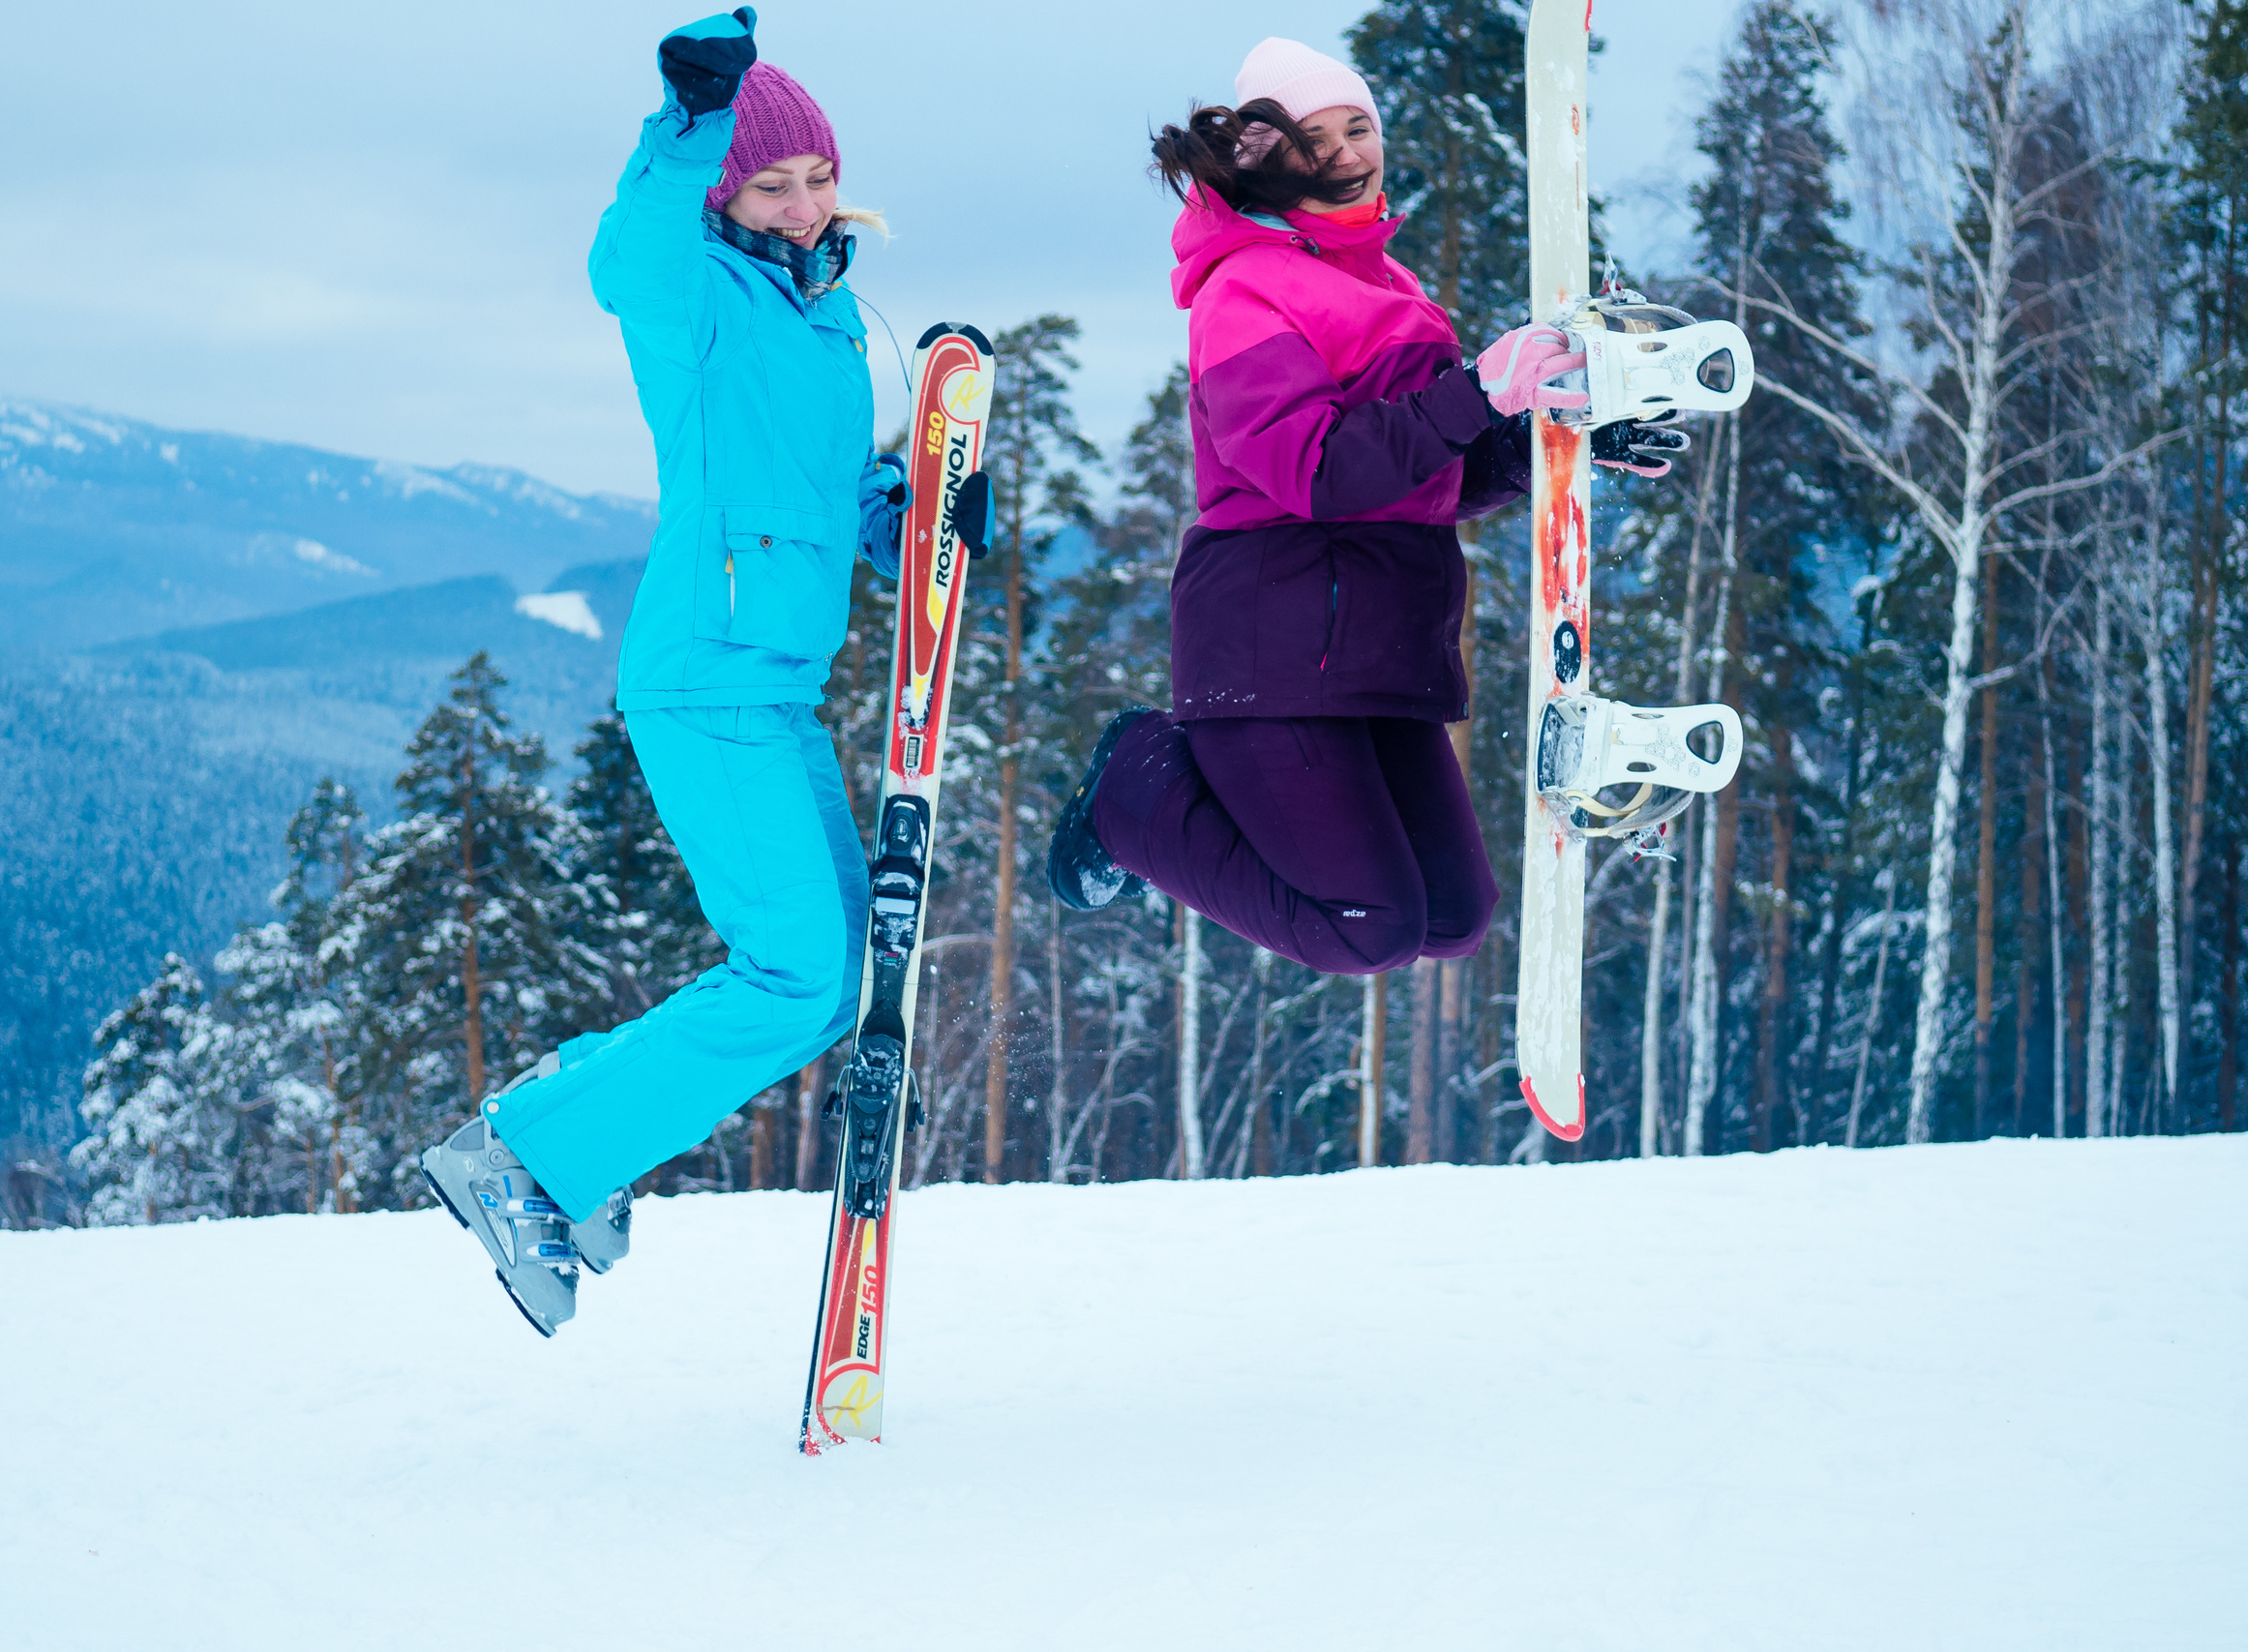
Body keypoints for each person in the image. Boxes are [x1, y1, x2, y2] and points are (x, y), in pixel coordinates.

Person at [420, 8, 986, 1336]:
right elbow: (627, 255)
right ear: (725, 191)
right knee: (792, 974)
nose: (801, 204)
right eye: (770, 183)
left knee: (832, 979)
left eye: (817, 177)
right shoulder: (697, 299)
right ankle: (528, 1155)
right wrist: (688, 124)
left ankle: (561, 1126)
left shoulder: (825, 318)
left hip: (773, 686)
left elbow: (820, 492)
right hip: (708, 678)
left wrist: (911, 512)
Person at [1046, 37, 1669, 975]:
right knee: (1366, 925)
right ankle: (1133, 791)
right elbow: (1319, 469)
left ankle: (1163, 792)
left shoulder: (1393, 289)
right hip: (1274, 645)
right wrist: (1478, 393)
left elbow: (1432, 472)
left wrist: (1558, 442)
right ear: (1269, 153)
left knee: (1451, 917)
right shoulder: (1242, 289)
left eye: (1359, 127)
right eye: (1318, 135)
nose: (1347, 152)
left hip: (1385, 649)